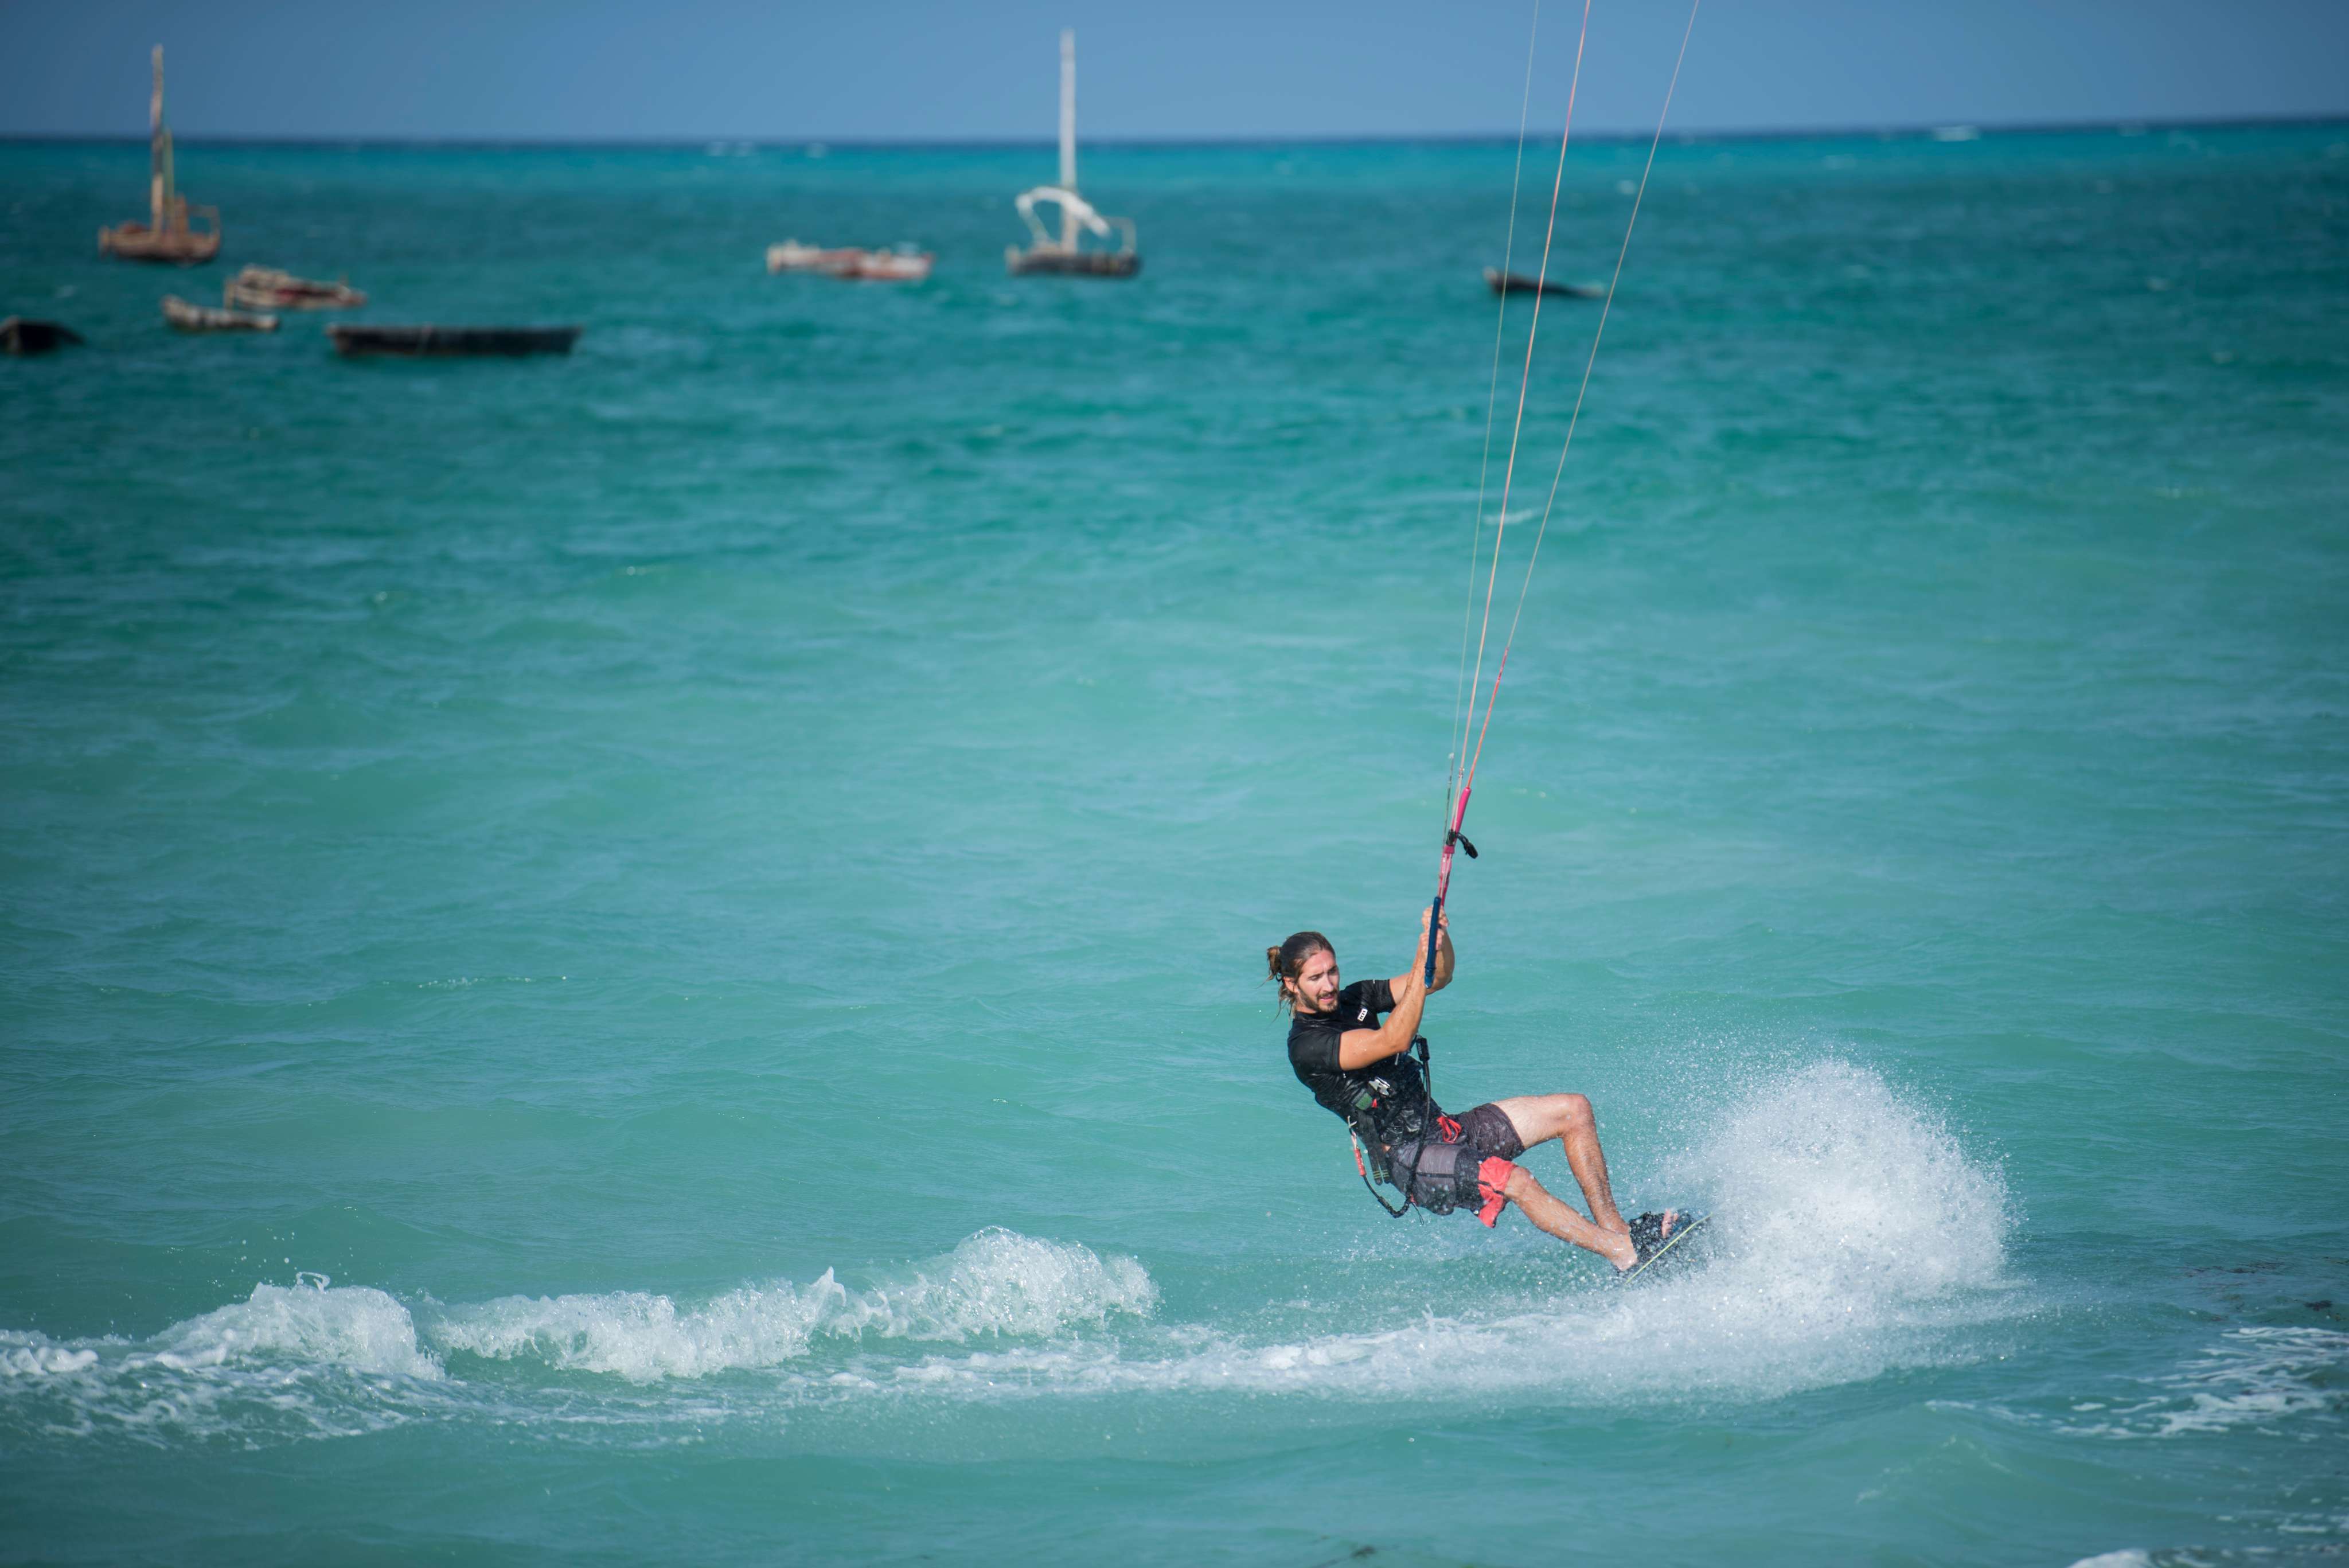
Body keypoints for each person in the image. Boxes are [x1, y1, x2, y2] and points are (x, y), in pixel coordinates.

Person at [1269, 915, 1685, 1272]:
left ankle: (1619, 1232)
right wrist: (1419, 959)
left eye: (1332, 972)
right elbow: (1394, 1040)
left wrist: (1438, 942)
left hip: (1445, 1131)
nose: (1329, 985)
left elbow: (1437, 978)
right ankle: (1625, 1254)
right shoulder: (1307, 1046)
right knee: (1516, 1181)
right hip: (1409, 1159)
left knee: (1574, 1110)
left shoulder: (1354, 998)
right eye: (1315, 978)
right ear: (1291, 983)